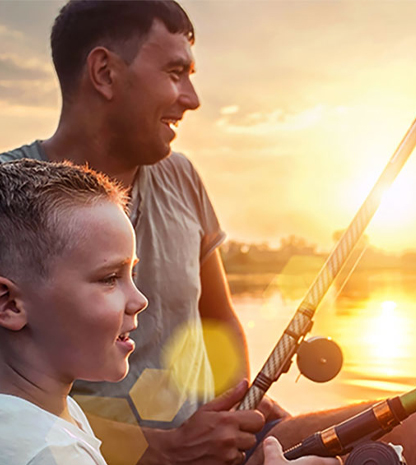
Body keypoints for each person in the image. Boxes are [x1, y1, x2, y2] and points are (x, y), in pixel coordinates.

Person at [2, 1, 416, 465]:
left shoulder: (182, 177)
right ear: (104, 72)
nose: (192, 97)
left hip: (219, 442)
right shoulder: (10, 196)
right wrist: (162, 450)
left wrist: (243, 408)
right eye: (176, 72)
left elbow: (218, 317)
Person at [0, 158, 148, 464]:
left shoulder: (47, 409)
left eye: (130, 276)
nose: (139, 300)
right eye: (109, 279)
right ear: (9, 305)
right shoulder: (50, 454)